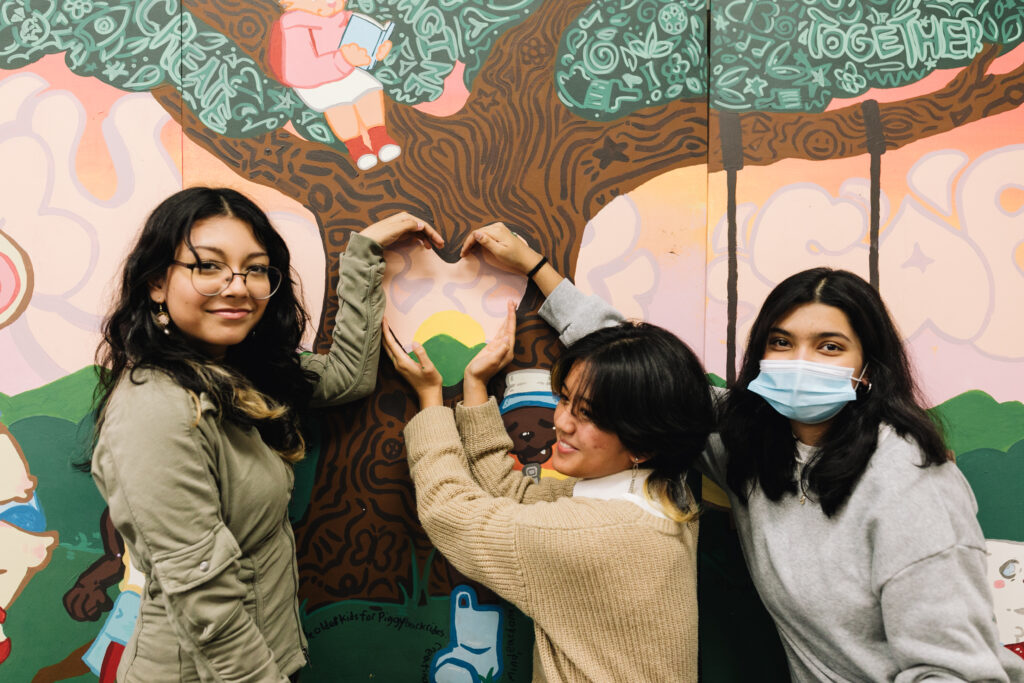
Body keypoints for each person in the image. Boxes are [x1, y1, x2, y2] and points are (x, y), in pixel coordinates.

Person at [461, 222, 1024, 682]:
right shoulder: (750, 436)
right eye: (782, 342)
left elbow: (955, 672)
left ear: (867, 372)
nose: (799, 361)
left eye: (829, 347)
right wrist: (537, 268)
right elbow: (639, 378)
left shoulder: (909, 482)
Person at [89, 187, 441, 682]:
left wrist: (363, 253)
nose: (238, 286)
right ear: (155, 283)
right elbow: (205, 600)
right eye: (207, 266)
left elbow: (346, 377)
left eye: (255, 269)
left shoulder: (233, 373)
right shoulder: (156, 406)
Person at [383, 296, 713, 681]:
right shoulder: (664, 496)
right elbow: (515, 494)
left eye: (587, 414)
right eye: (566, 399)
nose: (562, 422)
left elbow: (449, 512)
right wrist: (475, 388)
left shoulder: (592, 535)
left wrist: (429, 400)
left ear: (642, 443)